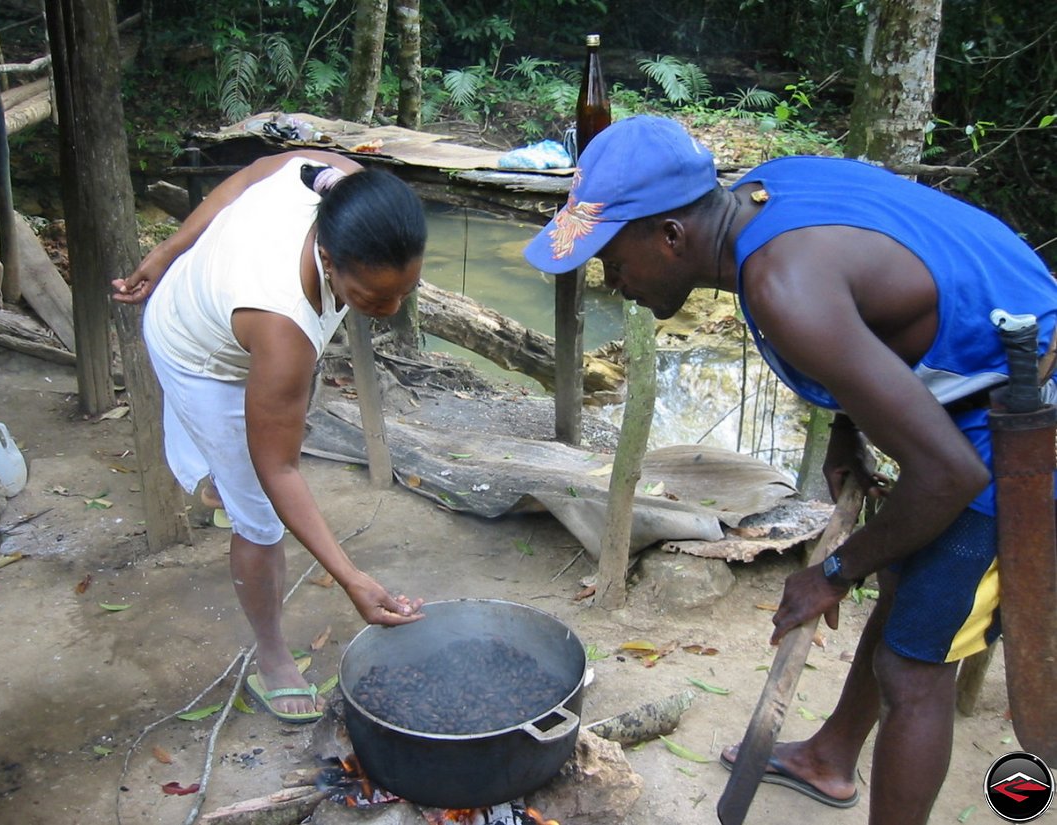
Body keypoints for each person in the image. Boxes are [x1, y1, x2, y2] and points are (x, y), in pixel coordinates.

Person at [524, 115, 1057, 823]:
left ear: (672, 237)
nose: (611, 281)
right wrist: (846, 429)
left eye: (612, 259)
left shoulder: (783, 284)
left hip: (1024, 427)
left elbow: (951, 476)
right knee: (904, 577)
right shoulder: (764, 197)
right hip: (983, 387)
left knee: (915, 667)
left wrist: (830, 574)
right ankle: (831, 757)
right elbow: (873, 317)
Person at [112, 150, 427, 723]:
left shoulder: (340, 184)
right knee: (260, 517)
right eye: (371, 299)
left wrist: (165, 250)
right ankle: (272, 658)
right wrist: (351, 579)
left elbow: (249, 175)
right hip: (198, 351)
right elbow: (279, 468)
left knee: (250, 473)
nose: (389, 310)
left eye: (404, 291)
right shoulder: (282, 328)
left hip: (221, 302)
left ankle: (219, 481)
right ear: (327, 259)